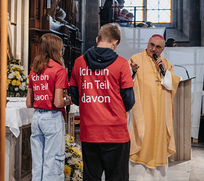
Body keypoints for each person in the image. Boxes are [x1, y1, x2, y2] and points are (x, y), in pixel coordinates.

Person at [69, 23, 135, 181]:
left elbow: (75, 97)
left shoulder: (79, 62)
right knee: (117, 177)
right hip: (115, 132)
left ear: (97, 39)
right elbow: (129, 100)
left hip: (90, 131)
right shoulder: (121, 64)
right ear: (115, 43)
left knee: (91, 177)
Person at [129, 34, 180, 181]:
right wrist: (132, 72)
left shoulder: (165, 63)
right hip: (143, 112)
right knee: (141, 141)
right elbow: (125, 81)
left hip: (160, 116)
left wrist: (164, 70)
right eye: (151, 45)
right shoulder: (136, 59)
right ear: (147, 44)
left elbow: (172, 83)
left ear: (162, 50)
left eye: (158, 47)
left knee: (158, 144)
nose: (153, 49)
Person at [26, 33, 72, 181]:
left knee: (38, 162)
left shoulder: (34, 70)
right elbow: (58, 103)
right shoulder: (58, 70)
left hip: (37, 118)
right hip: (52, 118)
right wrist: (69, 101)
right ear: (56, 49)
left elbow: (28, 102)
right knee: (53, 162)